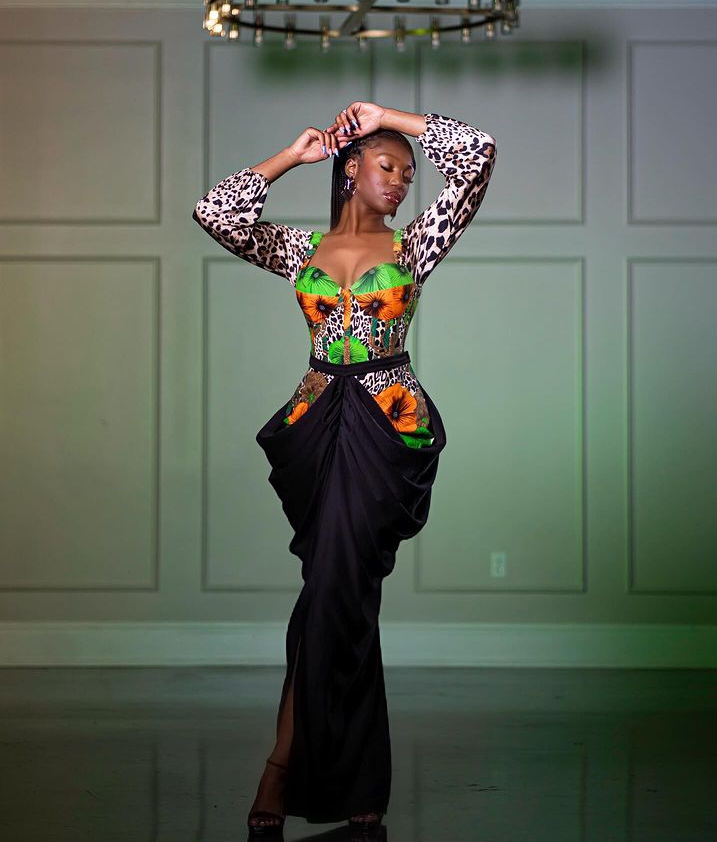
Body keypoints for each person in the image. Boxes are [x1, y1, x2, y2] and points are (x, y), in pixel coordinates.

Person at [192, 101, 497, 835]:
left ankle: (278, 768)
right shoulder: (298, 249)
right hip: (315, 421)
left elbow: (478, 153)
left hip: (386, 426)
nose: (400, 182)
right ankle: (361, 784)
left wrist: (390, 116)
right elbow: (215, 213)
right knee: (342, 596)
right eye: (387, 166)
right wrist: (290, 157)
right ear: (351, 168)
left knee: (333, 587)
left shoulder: (416, 244)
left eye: (409, 175)